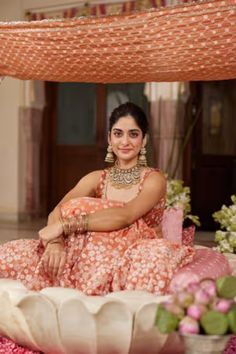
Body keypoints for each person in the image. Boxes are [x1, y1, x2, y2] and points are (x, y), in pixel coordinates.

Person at [0, 102, 194, 295]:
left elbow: (125, 216)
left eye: (133, 134)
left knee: (151, 262)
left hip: (131, 252)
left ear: (144, 140)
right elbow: (57, 212)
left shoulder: (153, 180)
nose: (125, 141)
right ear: (110, 138)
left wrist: (65, 226)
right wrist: (55, 244)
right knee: (11, 255)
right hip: (85, 250)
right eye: (118, 133)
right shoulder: (96, 179)